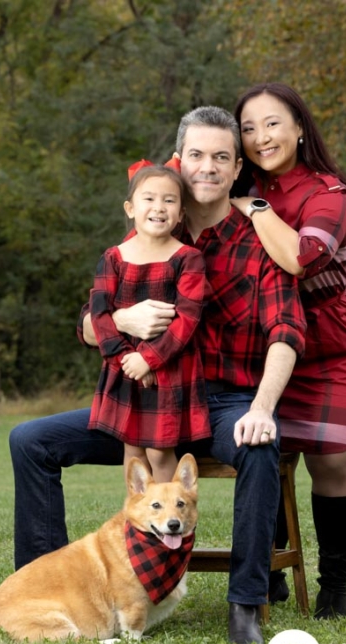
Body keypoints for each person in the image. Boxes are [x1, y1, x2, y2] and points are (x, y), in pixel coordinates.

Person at [9, 105, 307, 644]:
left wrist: (262, 408)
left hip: (222, 403)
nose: (207, 167)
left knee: (260, 446)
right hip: (149, 399)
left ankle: (245, 606)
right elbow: (88, 321)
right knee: (30, 440)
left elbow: (287, 331)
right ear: (180, 159)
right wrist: (121, 320)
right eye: (196, 154)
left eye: (221, 157)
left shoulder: (257, 240)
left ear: (237, 168)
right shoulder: (151, 221)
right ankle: (40, 583)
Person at [230, 82, 346, 619]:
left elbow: (302, 256)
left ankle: (333, 585)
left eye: (272, 123)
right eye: (248, 127)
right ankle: (271, 571)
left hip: (331, 339)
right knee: (266, 446)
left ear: (298, 127)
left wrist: (254, 206)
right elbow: (177, 180)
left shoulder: (328, 190)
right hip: (262, 336)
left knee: (331, 462)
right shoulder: (235, 179)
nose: (261, 136)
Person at [88, 161, 210, 482]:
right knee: (133, 451)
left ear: (181, 213)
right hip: (125, 370)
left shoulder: (187, 258)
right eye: (149, 199)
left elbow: (188, 319)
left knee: (159, 450)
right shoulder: (114, 258)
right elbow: (99, 316)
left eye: (169, 200)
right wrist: (126, 361)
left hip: (168, 370)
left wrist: (149, 359)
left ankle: (172, 523)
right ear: (130, 208)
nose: (159, 207)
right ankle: (138, 526)